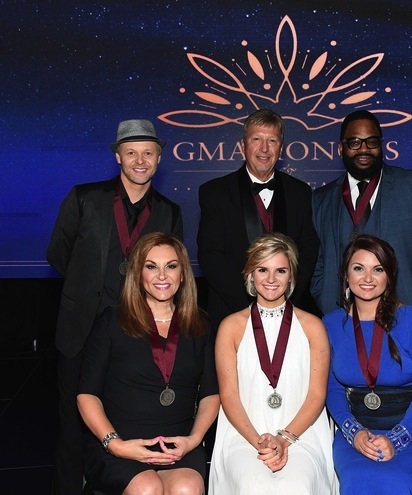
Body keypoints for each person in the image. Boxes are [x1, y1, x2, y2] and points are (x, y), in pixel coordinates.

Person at [47, 119, 183, 494]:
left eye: (148, 153)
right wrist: (85, 287)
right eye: (131, 152)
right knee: (72, 426)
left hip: (134, 334)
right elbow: (58, 253)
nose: (140, 160)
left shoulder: (169, 212)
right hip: (81, 329)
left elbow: (172, 273)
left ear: (159, 157)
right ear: (118, 157)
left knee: (124, 421)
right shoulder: (84, 198)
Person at [77, 233, 219, 495]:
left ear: (183, 274)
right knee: (147, 488)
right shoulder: (112, 322)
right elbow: (87, 395)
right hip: (121, 443)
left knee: (186, 488)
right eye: (151, 266)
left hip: (179, 443)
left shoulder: (200, 325)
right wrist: (116, 444)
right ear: (138, 274)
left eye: (171, 266)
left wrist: (193, 441)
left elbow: (211, 394)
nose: (162, 276)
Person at [312, 110, 412, 337]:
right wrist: (325, 300)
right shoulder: (321, 198)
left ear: (381, 146)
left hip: (410, 325)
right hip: (343, 331)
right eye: (354, 142)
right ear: (340, 148)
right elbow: (318, 262)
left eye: (372, 141)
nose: (364, 149)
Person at [209, 233, 335, 494]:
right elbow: (229, 395)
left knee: (297, 485)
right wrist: (259, 442)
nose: (270, 279)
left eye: (280, 270)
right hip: (243, 434)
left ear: (291, 276)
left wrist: (283, 439)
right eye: (262, 269)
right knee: (252, 485)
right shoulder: (230, 327)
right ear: (250, 274)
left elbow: (316, 395)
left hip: (301, 434)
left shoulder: (313, 327)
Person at [324, 234, 412, 494]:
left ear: (389, 276)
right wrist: (355, 433)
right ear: (346, 274)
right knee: (358, 480)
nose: (368, 278)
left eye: (377, 269)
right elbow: (332, 390)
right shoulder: (331, 325)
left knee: (398, 482)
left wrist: (396, 439)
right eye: (359, 268)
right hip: (356, 436)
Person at [197, 109, 320, 333]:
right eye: (256, 139)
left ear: (280, 149)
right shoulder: (214, 192)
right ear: (243, 145)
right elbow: (210, 255)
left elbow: (309, 248)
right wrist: (253, 306)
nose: (264, 149)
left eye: (271, 140)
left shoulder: (300, 192)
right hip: (233, 315)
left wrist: (285, 298)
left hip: (289, 314)